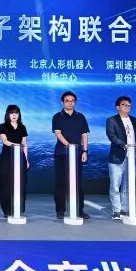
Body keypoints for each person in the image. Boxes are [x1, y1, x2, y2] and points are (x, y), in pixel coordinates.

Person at [52, 91, 90, 219]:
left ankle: (79, 210)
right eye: (67, 100)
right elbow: (58, 133)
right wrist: (69, 146)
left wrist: (85, 151)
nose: (70, 103)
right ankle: (60, 211)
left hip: (77, 154)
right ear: (62, 102)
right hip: (61, 154)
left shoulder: (80, 116)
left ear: (75, 102)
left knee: (77, 183)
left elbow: (84, 135)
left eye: (72, 100)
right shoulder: (57, 116)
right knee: (61, 182)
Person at [105, 96, 136, 219]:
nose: (127, 107)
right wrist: (124, 145)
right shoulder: (112, 120)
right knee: (115, 185)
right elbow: (111, 136)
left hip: (132, 157)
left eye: (129, 105)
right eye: (124, 104)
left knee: (128, 185)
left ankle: (125, 209)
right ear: (118, 107)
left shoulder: (135, 120)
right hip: (117, 156)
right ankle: (116, 210)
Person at [0, 104, 29, 218]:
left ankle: (18, 208)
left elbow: (24, 144)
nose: (14, 115)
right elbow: (4, 141)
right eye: (11, 113)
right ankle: (7, 210)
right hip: (7, 158)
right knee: (6, 184)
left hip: (20, 158)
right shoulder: (3, 126)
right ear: (8, 114)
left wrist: (26, 159)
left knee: (20, 183)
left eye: (16, 113)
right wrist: (16, 145)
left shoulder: (22, 127)